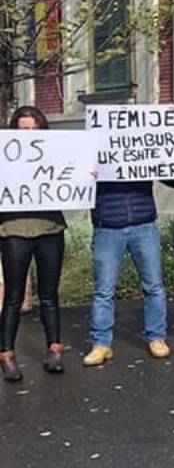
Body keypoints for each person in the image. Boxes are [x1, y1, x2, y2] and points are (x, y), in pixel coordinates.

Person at [83, 144, 174, 367]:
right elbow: (75, 182)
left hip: (144, 225)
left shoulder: (142, 148)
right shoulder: (94, 151)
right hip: (107, 227)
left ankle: (157, 338)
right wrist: (88, 175)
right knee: (104, 290)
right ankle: (101, 343)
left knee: (154, 286)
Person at [0, 106, 70, 381]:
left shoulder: (57, 154)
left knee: (50, 294)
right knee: (14, 296)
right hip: (14, 230)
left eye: (34, 129)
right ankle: (6, 353)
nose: (29, 135)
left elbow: (71, 175)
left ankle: (54, 349)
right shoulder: (4, 158)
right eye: (23, 129)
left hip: (50, 228)